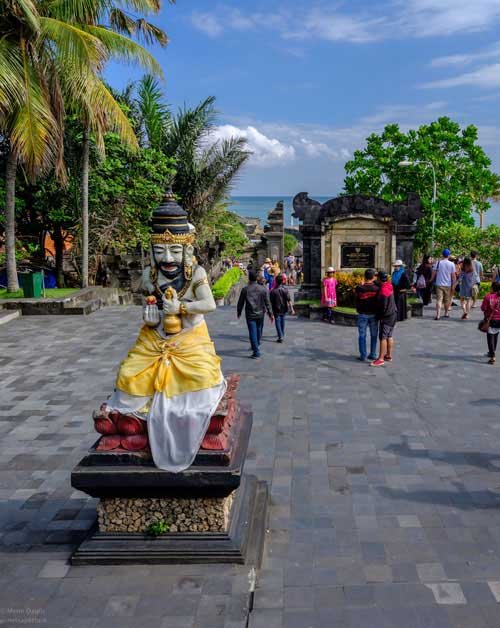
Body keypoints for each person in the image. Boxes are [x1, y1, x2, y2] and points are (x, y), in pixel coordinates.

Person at [106, 191, 226, 472]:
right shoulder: (150, 274)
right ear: (152, 251)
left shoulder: (195, 274)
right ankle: (136, 416)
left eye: (174, 251)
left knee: (199, 382)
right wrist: (151, 312)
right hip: (155, 335)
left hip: (188, 337)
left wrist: (181, 309)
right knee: (127, 376)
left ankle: (171, 421)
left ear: (187, 248)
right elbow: (146, 296)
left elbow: (209, 304)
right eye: (160, 252)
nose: (167, 258)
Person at [237, 269, 274, 359]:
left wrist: (239, 312)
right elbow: (267, 303)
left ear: (249, 278)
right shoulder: (263, 289)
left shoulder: (245, 289)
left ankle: (256, 351)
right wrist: (270, 314)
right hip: (260, 312)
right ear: (257, 278)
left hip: (250, 314)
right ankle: (256, 345)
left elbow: (240, 302)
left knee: (253, 332)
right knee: (258, 330)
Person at [371, 271, 398, 367]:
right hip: (393, 313)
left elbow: (383, 307)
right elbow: (380, 283)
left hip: (386, 316)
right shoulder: (389, 285)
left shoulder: (383, 291)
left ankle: (381, 358)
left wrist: (380, 317)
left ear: (379, 279)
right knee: (389, 335)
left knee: (383, 337)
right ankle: (388, 355)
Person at [355, 268, 379, 361]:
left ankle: (363, 355)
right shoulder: (377, 288)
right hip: (374, 314)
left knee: (362, 335)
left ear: (364, 277)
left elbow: (356, 299)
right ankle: (373, 354)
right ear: (373, 277)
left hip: (363, 314)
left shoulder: (359, 288)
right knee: (373, 335)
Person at [430, 249, 456, 320]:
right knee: (447, 300)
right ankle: (446, 313)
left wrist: (431, 279)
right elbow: (453, 275)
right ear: (449, 255)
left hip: (439, 284)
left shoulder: (438, 263)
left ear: (442, 255)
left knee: (439, 300)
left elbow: (434, 273)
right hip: (448, 284)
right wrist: (454, 284)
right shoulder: (451, 264)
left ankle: (438, 315)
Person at [270, 273, 295, 343]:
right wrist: (292, 309)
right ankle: (282, 333)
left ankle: (280, 336)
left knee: (277, 322)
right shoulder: (285, 289)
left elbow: (270, 302)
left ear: (276, 281)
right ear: (282, 281)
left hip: (276, 309)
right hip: (284, 308)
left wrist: (270, 311)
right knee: (282, 321)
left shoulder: (273, 291)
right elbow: (289, 300)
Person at [481, 281, 500, 364]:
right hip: (499, 320)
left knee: (490, 338)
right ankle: (492, 351)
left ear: (492, 287)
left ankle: (492, 355)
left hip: (490, 319)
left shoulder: (488, 297)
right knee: (496, 335)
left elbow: (483, 308)